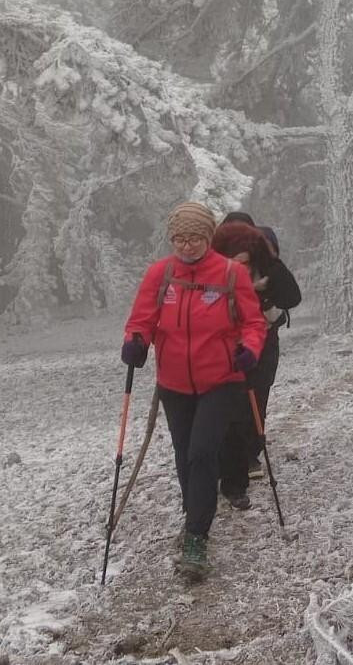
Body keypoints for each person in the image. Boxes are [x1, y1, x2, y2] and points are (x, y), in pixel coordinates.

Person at [121, 202, 268, 581]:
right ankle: (194, 515)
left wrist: (249, 349)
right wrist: (136, 341)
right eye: (179, 238)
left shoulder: (231, 274)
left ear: (208, 238)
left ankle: (196, 537)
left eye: (195, 238)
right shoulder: (161, 275)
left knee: (203, 453)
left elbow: (253, 323)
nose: (186, 246)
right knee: (185, 454)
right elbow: (142, 320)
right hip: (173, 383)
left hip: (220, 380)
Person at [213, 214, 301, 504]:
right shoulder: (215, 262)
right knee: (233, 405)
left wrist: (269, 277)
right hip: (227, 343)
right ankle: (235, 466)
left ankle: (248, 457)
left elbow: (291, 296)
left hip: (262, 338)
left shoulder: (266, 260)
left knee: (256, 398)